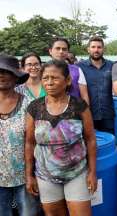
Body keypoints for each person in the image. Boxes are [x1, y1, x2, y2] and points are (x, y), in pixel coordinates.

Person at [25, 60, 97, 216]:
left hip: (76, 173)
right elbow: (30, 143)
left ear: (68, 80)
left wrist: (92, 172)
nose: (49, 82)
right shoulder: (34, 108)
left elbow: (91, 139)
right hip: (45, 176)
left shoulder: (79, 106)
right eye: (45, 78)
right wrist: (29, 175)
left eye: (55, 78)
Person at [0, 54, 39, 216]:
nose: (2, 75)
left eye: (6, 72)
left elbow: (31, 142)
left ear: (16, 77)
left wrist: (30, 175)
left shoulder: (28, 103)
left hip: (23, 176)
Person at [78, 36, 115, 134]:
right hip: (88, 114)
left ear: (103, 49)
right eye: (93, 47)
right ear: (88, 49)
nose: (96, 50)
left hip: (108, 115)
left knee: (109, 142)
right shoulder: (79, 67)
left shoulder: (112, 66)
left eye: (99, 47)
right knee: (90, 144)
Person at [49, 37, 89, 105]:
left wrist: (86, 113)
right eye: (57, 48)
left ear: (67, 52)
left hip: (74, 112)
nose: (61, 51)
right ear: (50, 51)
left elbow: (84, 96)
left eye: (64, 49)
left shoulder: (77, 70)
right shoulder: (43, 70)